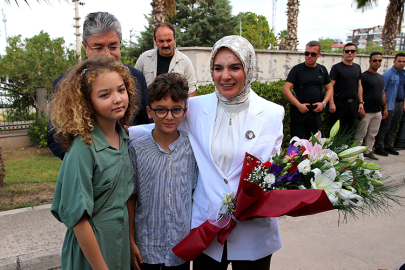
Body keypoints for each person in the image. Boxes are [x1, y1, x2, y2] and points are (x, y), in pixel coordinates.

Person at [129, 35, 284, 270]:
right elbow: (161, 124)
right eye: (218, 68)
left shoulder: (273, 113)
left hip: (254, 230)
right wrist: (118, 134)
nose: (225, 76)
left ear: (249, 68)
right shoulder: (197, 107)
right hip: (207, 228)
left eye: (235, 67)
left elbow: (275, 168)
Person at [50, 54, 136, 270]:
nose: (117, 98)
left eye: (121, 89)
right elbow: (78, 219)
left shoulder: (123, 137)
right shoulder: (83, 148)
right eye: (105, 94)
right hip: (92, 256)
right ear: (87, 102)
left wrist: (131, 241)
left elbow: (124, 199)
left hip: (119, 247)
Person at [47, 11, 151, 160]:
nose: (107, 54)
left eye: (113, 46)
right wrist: (90, 161)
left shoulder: (137, 78)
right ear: (85, 46)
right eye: (99, 47)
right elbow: (54, 137)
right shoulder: (64, 84)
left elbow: (145, 126)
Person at [127, 73, 198, 270]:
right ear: (149, 112)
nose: (169, 117)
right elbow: (131, 197)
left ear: (184, 111)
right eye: (161, 110)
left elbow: (194, 194)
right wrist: (130, 240)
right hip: (146, 248)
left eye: (176, 110)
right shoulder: (136, 149)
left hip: (180, 248)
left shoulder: (192, 149)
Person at [282, 40, 332, 139]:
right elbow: (286, 89)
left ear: (319, 55)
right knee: (296, 143)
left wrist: (323, 103)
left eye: (313, 54)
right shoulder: (297, 69)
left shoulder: (322, 70)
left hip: (315, 112)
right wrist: (299, 105)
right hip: (299, 112)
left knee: (313, 144)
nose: (309, 56)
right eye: (306, 53)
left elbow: (329, 89)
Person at [135, 22, 197, 97]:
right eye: (161, 41)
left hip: (175, 108)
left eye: (168, 40)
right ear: (155, 41)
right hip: (148, 108)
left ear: (175, 39)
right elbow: (133, 86)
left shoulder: (185, 62)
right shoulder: (144, 58)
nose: (165, 45)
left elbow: (192, 92)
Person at [354, 52, 388, 160]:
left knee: (372, 134)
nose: (377, 63)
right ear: (369, 61)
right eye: (375, 60)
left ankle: (368, 151)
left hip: (378, 111)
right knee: (361, 134)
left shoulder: (381, 77)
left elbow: (382, 93)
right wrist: (361, 107)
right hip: (366, 111)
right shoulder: (364, 76)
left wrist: (385, 107)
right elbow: (359, 93)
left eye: (379, 61)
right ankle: (355, 153)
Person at [329, 43, 364, 133]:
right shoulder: (336, 68)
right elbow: (330, 87)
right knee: (336, 132)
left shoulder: (357, 67)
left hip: (353, 105)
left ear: (355, 53)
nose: (349, 53)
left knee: (349, 132)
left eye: (352, 51)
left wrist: (361, 103)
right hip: (339, 104)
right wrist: (331, 103)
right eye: (347, 51)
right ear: (343, 53)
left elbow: (359, 86)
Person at [374, 52, 405, 156]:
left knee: (393, 126)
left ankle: (388, 146)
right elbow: (382, 90)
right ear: (394, 61)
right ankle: (379, 147)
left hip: (399, 104)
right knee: (384, 127)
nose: (401, 63)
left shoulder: (403, 74)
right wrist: (385, 106)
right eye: (399, 61)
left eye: (403, 62)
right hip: (389, 104)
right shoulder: (388, 74)